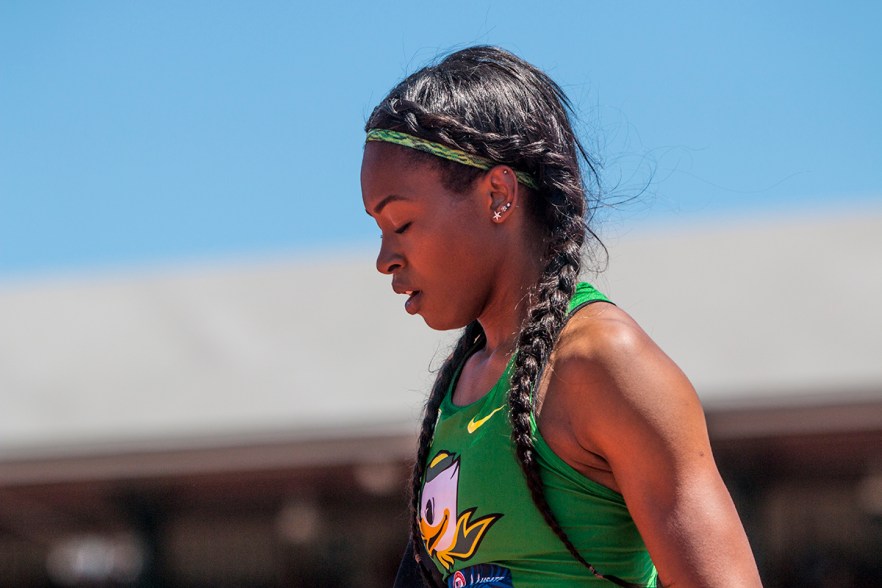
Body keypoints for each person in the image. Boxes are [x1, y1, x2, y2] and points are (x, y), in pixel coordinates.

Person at [361, 46, 762, 588]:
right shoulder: (466, 382)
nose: (385, 257)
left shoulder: (605, 365)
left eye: (402, 223)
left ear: (498, 195)